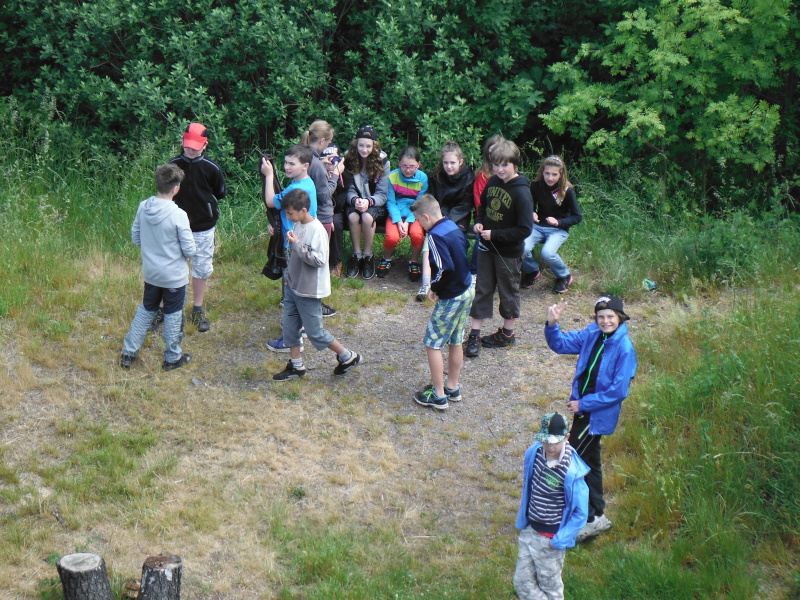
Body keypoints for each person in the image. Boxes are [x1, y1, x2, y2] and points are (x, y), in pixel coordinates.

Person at [545, 296, 638, 542]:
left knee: (572, 462)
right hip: (583, 413)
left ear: (620, 318)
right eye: (601, 317)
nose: (605, 321)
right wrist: (552, 324)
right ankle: (597, 516)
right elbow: (560, 344)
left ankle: (586, 517)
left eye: (610, 316)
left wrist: (583, 404)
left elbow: (618, 391)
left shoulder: (624, 347)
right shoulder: (592, 334)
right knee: (590, 462)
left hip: (595, 416)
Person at [271, 189, 362, 381]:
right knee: (289, 326)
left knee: (315, 332)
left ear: (304, 210)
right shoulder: (297, 224)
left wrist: (296, 244)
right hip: (293, 286)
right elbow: (295, 254)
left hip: (308, 291)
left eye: (290, 213)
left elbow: (319, 260)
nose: (288, 217)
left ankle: (348, 357)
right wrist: (288, 274)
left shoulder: (317, 230)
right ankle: (296, 365)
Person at [120, 164, 195, 371]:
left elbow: (135, 236)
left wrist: (151, 250)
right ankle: (172, 357)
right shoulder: (178, 214)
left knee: (147, 309)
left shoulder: (143, 207)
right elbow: (189, 249)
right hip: (173, 276)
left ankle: (128, 352)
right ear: (176, 188)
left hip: (151, 273)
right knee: (173, 314)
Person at [464, 140, 533, 359]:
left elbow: (525, 229)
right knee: (482, 288)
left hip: (508, 253)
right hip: (486, 247)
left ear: (515, 165)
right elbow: (483, 206)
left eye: (505, 165)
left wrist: (495, 234)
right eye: (496, 164)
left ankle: (507, 334)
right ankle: (474, 334)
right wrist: (479, 222)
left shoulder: (522, 192)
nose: (499, 169)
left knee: (508, 291)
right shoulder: (493, 181)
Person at [514, 412, 589, 600]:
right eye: (545, 441)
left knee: (550, 587)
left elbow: (580, 513)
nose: (549, 447)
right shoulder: (535, 453)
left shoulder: (572, 471)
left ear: (567, 437)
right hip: (530, 530)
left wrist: (558, 540)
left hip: (551, 538)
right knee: (521, 582)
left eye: (555, 442)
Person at [410, 194, 473, 410]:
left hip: (451, 296)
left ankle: (438, 396)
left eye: (419, 221)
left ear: (426, 216)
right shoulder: (452, 226)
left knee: (433, 343)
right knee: (456, 339)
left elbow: (444, 268)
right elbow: (465, 248)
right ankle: (452, 387)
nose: (419, 225)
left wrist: (434, 288)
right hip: (466, 289)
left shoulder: (435, 236)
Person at [260, 145, 318, 353]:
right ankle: (301, 327)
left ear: (305, 165)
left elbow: (270, 201)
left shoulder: (296, 189)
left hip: (294, 246)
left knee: (291, 294)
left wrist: (269, 175)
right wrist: (277, 224)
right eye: (285, 162)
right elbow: (286, 212)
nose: (286, 166)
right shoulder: (304, 183)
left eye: (292, 163)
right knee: (296, 290)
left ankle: (291, 340)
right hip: (300, 242)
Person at [169, 123, 226, 332]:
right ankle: (168, 307)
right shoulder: (173, 165)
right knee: (173, 265)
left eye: (195, 147)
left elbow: (219, 193)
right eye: (187, 146)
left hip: (204, 226)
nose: (191, 150)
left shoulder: (212, 168)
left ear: (205, 145)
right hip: (177, 225)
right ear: (182, 142)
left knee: (201, 266)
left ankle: (198, 307)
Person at [417, 142, 475, 299]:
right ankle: (426, 282)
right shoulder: (435, 177)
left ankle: (459, 278)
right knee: (431, 240)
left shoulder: (469, 178)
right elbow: (431, 200)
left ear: (461, 162)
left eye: (452, 163)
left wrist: (447, 222)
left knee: (455, 240)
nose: (449, 166)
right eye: (446, 163)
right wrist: (439, 219)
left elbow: (464, 205)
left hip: (459, 218)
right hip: (437, 216)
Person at [301, 120, 345, 316]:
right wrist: (335, 173)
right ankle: (315, 304)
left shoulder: (303, 156)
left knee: (305, 258)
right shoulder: (316, 165)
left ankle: (297, 299)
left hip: (306, 214)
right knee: (318, 261)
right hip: (321, 216)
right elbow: (325, 194)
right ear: (322, 141)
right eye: (328, 142)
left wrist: (322, 164)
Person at [522, 155, 582, 294]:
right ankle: (532, 271)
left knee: (547, 253)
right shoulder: (535, 185)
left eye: (554, 174)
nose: (550, 177)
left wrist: (559, 222)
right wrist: (532, 212)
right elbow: (530, 205)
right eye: (547, 173)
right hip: (538, 226)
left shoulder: (566, 191)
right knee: (522, 248)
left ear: (561, 175)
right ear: (542, 172)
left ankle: (564, 276)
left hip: (558, 229)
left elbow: (577, 216)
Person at [343, 125, 390, 280]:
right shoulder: (349, 160)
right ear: (356, 144)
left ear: (374, 146)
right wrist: (355, 200)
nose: (364, 149)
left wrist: (368, 202)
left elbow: (382, 194)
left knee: (367, 217)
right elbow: (348, 188)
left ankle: (368, 255)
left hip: (375, 203)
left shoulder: (383, 162)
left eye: (368, 146)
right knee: (353, 217)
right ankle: (357, 255)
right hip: (354, 202)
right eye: (361, 145)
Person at [378, 146, 428, 279]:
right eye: (404, 166)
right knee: (392, 237)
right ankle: (386, 259)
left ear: (418, 165)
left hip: (415, 214)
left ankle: (414, 262)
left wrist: (408, 222)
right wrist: (399, 221)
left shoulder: (423, 179)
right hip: (396, 214)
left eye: (412, 166)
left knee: (417, 235)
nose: (408, 169)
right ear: (399, 163)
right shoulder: (392, 176)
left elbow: (419, 203)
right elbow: (390, 202)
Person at [471, 134, 504, 277]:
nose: (493, 156)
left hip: (505, 218)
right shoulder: (483, 175)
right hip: (485, 218)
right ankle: (474, 272)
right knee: (482, 237)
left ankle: (528, 270)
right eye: (490, 153)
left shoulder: (508, 174)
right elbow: (479, 202)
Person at [321, 143, 348, 278]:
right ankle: (320, 259)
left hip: (339, 209)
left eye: (334, 161)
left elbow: (345, 196)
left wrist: (335, 178)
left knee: (335, 223)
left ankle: (336, 262)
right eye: (327, 161)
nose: (330, 165)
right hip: (320, 208)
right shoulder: (318, 173)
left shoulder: (345, 174)